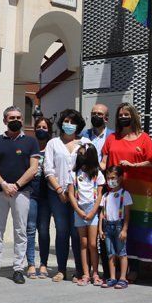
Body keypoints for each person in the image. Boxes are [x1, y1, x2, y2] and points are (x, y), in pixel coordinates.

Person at [99, 103, 152, 281]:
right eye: (120, 114)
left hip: (136, 193)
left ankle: (134, 269)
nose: (123, 117)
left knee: (133, 231)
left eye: (126, 114)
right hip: (113, 195)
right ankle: (112, 272)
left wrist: (134, 166)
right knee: (111, 232)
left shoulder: (144, 138)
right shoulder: (112, 138)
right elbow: (104, 163)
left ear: (133, 116)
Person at [0, 106, 41, 284]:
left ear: (22, 120)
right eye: (11, 118)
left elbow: (34, 168)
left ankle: (18, 269)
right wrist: (3, 184)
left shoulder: (31, 142)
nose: (15, 120)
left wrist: (16, 185)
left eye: (18, 117)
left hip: (22, 192)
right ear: (5, 121)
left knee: (20, 230)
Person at [43, 109, 91, 283]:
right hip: (58, 194)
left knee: (77, 233)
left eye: (72, 121)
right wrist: (59, 190)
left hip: (80, 196)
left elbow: (90, 167)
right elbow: (48, 169)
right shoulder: (53, 143)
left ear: (78, 125)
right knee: (62, 232)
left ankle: (80, 270)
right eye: (66, 121)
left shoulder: (85, 142)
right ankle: (61, 269)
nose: (68, 124)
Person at [69, 143, 105, 286]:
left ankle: (95, 273)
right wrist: (78, 210)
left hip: (92, 209)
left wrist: (92, 212)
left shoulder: (98, 174)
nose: (81, 156)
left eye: (84, 153)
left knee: (92, 243)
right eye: (80, 153)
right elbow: (71, 195)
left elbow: (100, 195)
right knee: (83, 243)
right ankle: (85, 274)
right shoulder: (73, 174)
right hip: (79, 209)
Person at [25, 117, 52, 279]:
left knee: (44, 230)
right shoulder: (30, 146)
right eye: (39, 127)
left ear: (49, 130)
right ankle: (31, 264)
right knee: (30, 228)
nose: (41, 129)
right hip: (31, 193)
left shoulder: (52, 147)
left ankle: (43, 264)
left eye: (44, 127)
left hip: (47, 195)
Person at [99, 166, 133, 289]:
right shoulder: (105, 196)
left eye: (113, 178)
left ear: (120, 178)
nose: (110, 180)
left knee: (122, 252)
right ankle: (112, 278)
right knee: (110, 254)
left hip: (119, 226)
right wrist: (100, 229)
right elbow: (102, 214)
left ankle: (123, 278)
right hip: (107, 227)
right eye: (108, 178)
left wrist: (124, 229)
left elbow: (128, 214)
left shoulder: (125, 194)